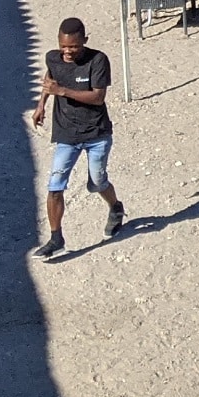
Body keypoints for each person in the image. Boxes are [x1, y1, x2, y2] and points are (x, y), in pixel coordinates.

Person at [31, 17, 125, 259]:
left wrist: (62, 91)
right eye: (63, 46)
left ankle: (115, 207)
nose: (67, 52)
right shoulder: (52, 58)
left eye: (73, 46)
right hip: (66, 134)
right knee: (55, 186)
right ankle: (56, 238)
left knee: (97, 182)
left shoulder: (98, 60)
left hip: (96, 134)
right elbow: (49, 80)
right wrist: (41, 104)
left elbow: (98, 97)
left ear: (84, 40)